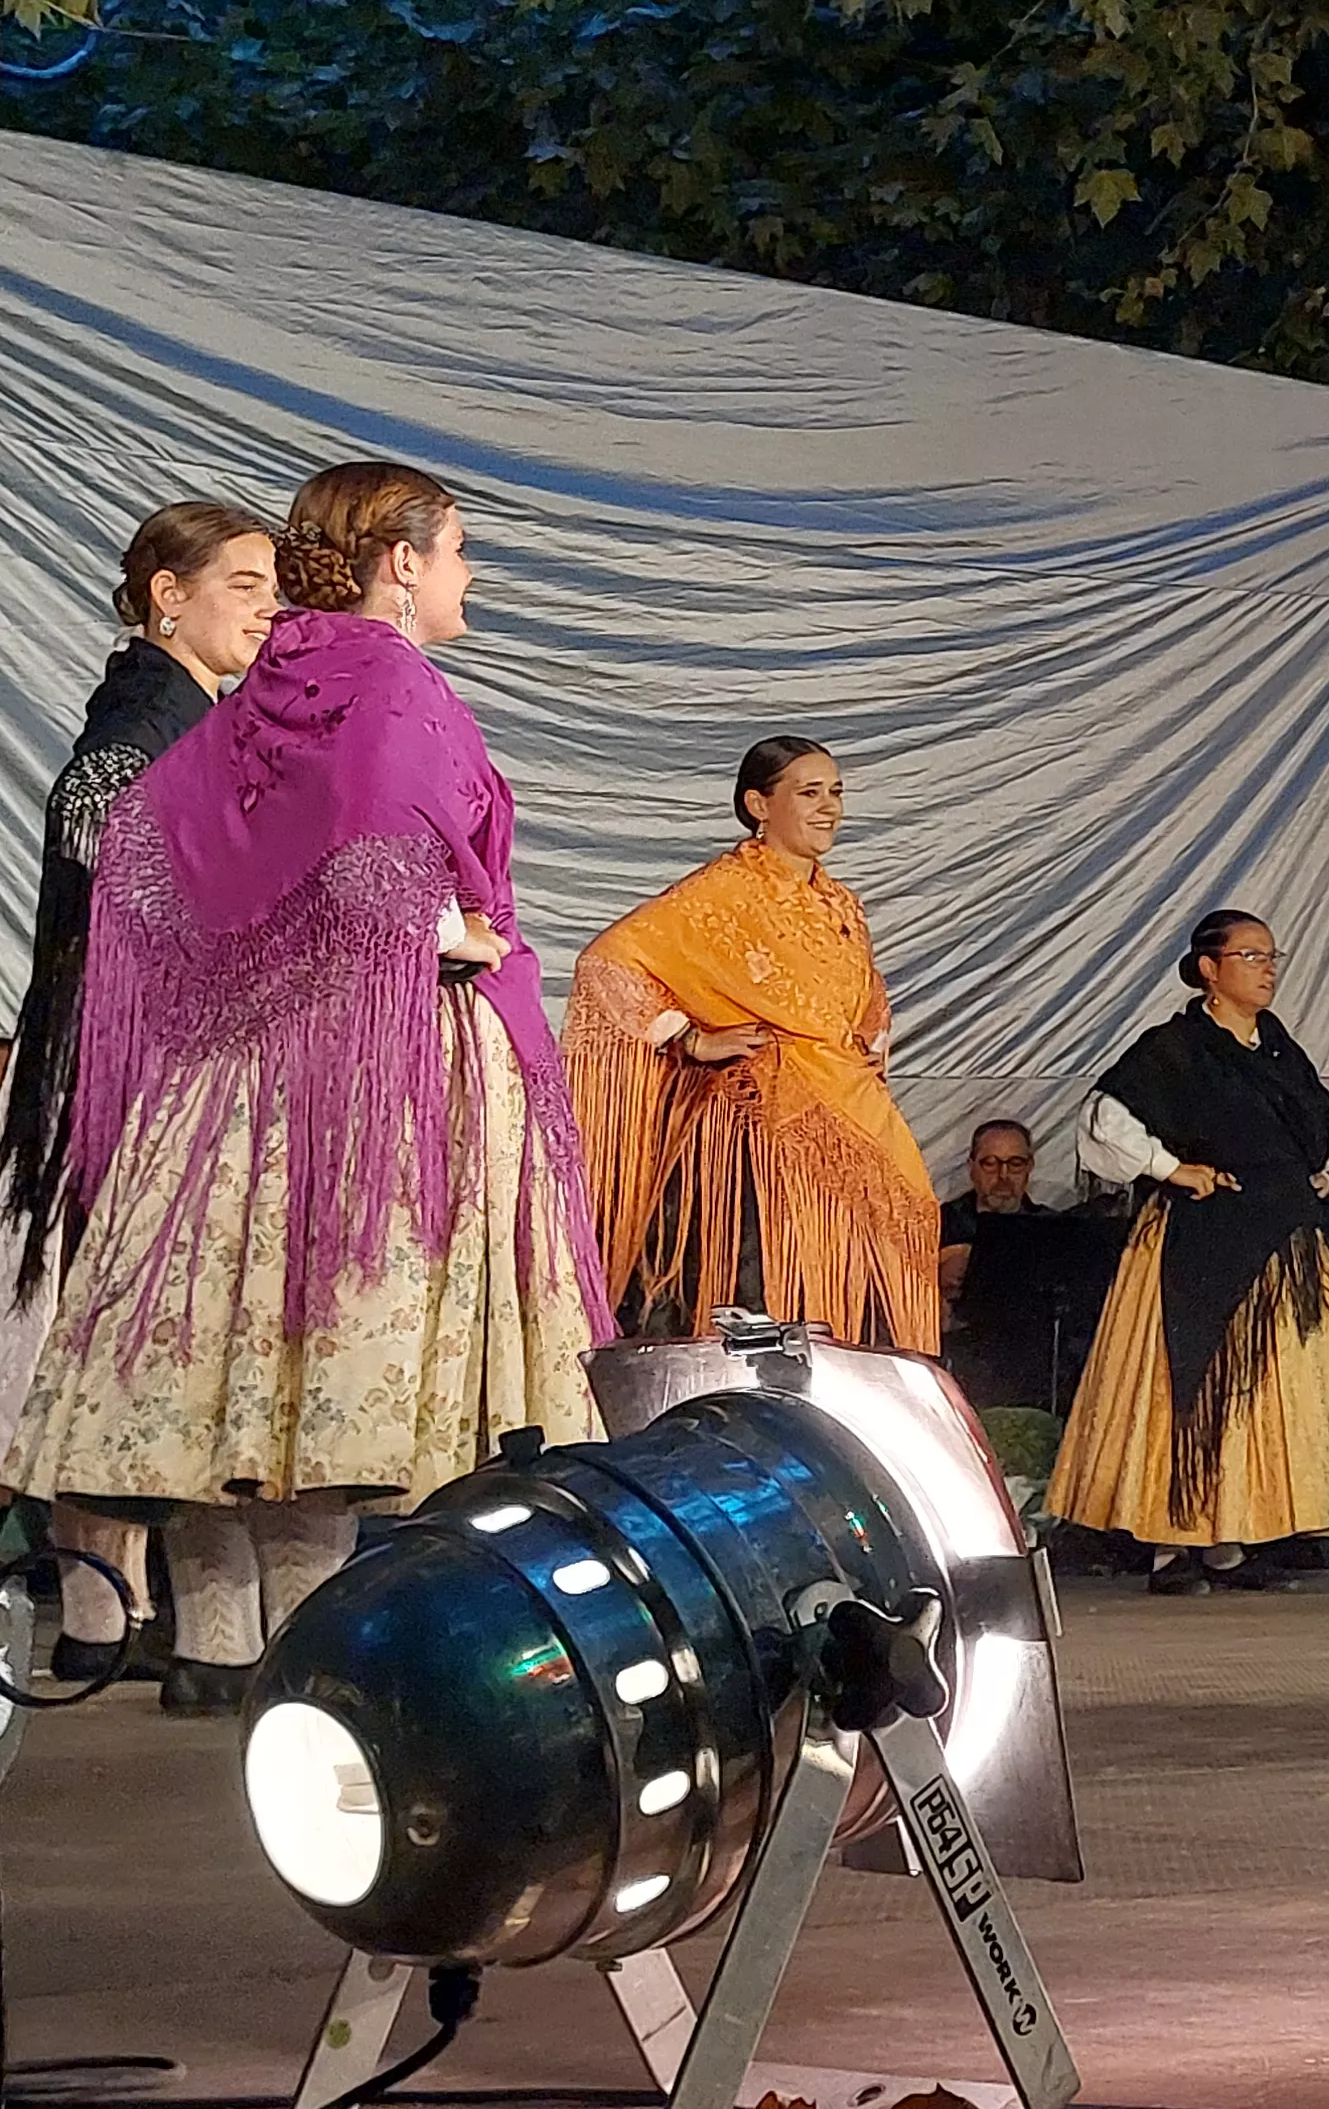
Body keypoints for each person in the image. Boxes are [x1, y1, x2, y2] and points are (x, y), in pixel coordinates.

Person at [24, 462, 608, 1711]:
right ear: (401, 564)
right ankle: (315, 1666)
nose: (469, 575)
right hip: (362, 1065)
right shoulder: (391, 677)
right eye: (456, 552)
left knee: (266, 1366)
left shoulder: (280, 674)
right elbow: (362, 867)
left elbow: (150, 844)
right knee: (339, 1357)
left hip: (247, 1070)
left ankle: (223, 1653)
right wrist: (455, 936)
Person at [1, 498, 280, 1685]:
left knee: (116, 1333)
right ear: (169, 594)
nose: (272, 606)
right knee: (116, 1332)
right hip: (123, 1077)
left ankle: (104, 1622)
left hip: (129, 1066)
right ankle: (114, 1621)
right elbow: (98, 830)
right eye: (248, 583)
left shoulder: (199, 716)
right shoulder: (146, 713)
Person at [569, 738, 941, 1354]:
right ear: (758, 804)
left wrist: (872, 1036)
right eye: (809, 792)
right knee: (760, 1286)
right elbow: (610, 962)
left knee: (869, 1274)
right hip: (756, 1129)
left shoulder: (841, 901)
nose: (829, 808)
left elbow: (860, 991)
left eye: (836, 792)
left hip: (848, 1113)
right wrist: (691, 1037)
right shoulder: (723, 891)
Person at [1049, 909, 1329, 1594]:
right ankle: (1170, 1546)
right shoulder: (1176, 1048)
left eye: (1271, 955)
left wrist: (1321, 1172)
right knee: (1183, 1385)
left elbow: (1326, 1123)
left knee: (1258, 1395)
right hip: (1203, 1239)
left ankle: (1231, 1540)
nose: (1268, 967)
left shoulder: (1279, 1048)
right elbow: (1106, 1121)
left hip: (1280, 1241)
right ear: (1207, 970)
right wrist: (1171, 1168)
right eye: (1250, 956)